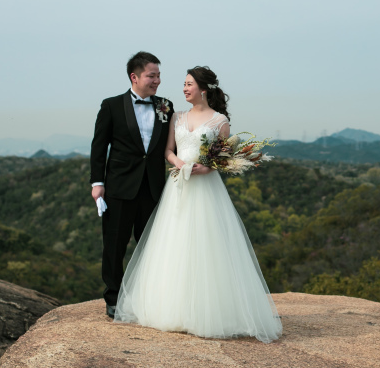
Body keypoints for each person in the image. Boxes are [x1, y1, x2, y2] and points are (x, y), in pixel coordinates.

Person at [113, 66, 282, 343]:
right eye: (184, 83)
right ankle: (171, 308)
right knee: (174, 242)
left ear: (203, 89)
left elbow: (224, 158)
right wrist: (179, 163)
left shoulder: (220, 120)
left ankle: (210, 311)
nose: (184, 88)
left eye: (189, 84)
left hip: (205, 188)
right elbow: (168, 150)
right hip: (179, 184)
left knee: (207, 245)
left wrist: (208, 168)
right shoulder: (177, 117)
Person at [90, 51, 174, 318]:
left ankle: (148, 297)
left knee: (151, 246)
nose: (157, 81)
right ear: (134, 77)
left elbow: (173, 144)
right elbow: (99, 147)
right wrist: (97, 182)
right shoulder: (111, 106)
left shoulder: (166, 106)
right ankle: (113, 298)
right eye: (152, 75)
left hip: (153, 188)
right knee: (114, 245)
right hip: (119, 187)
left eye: (159, 75)